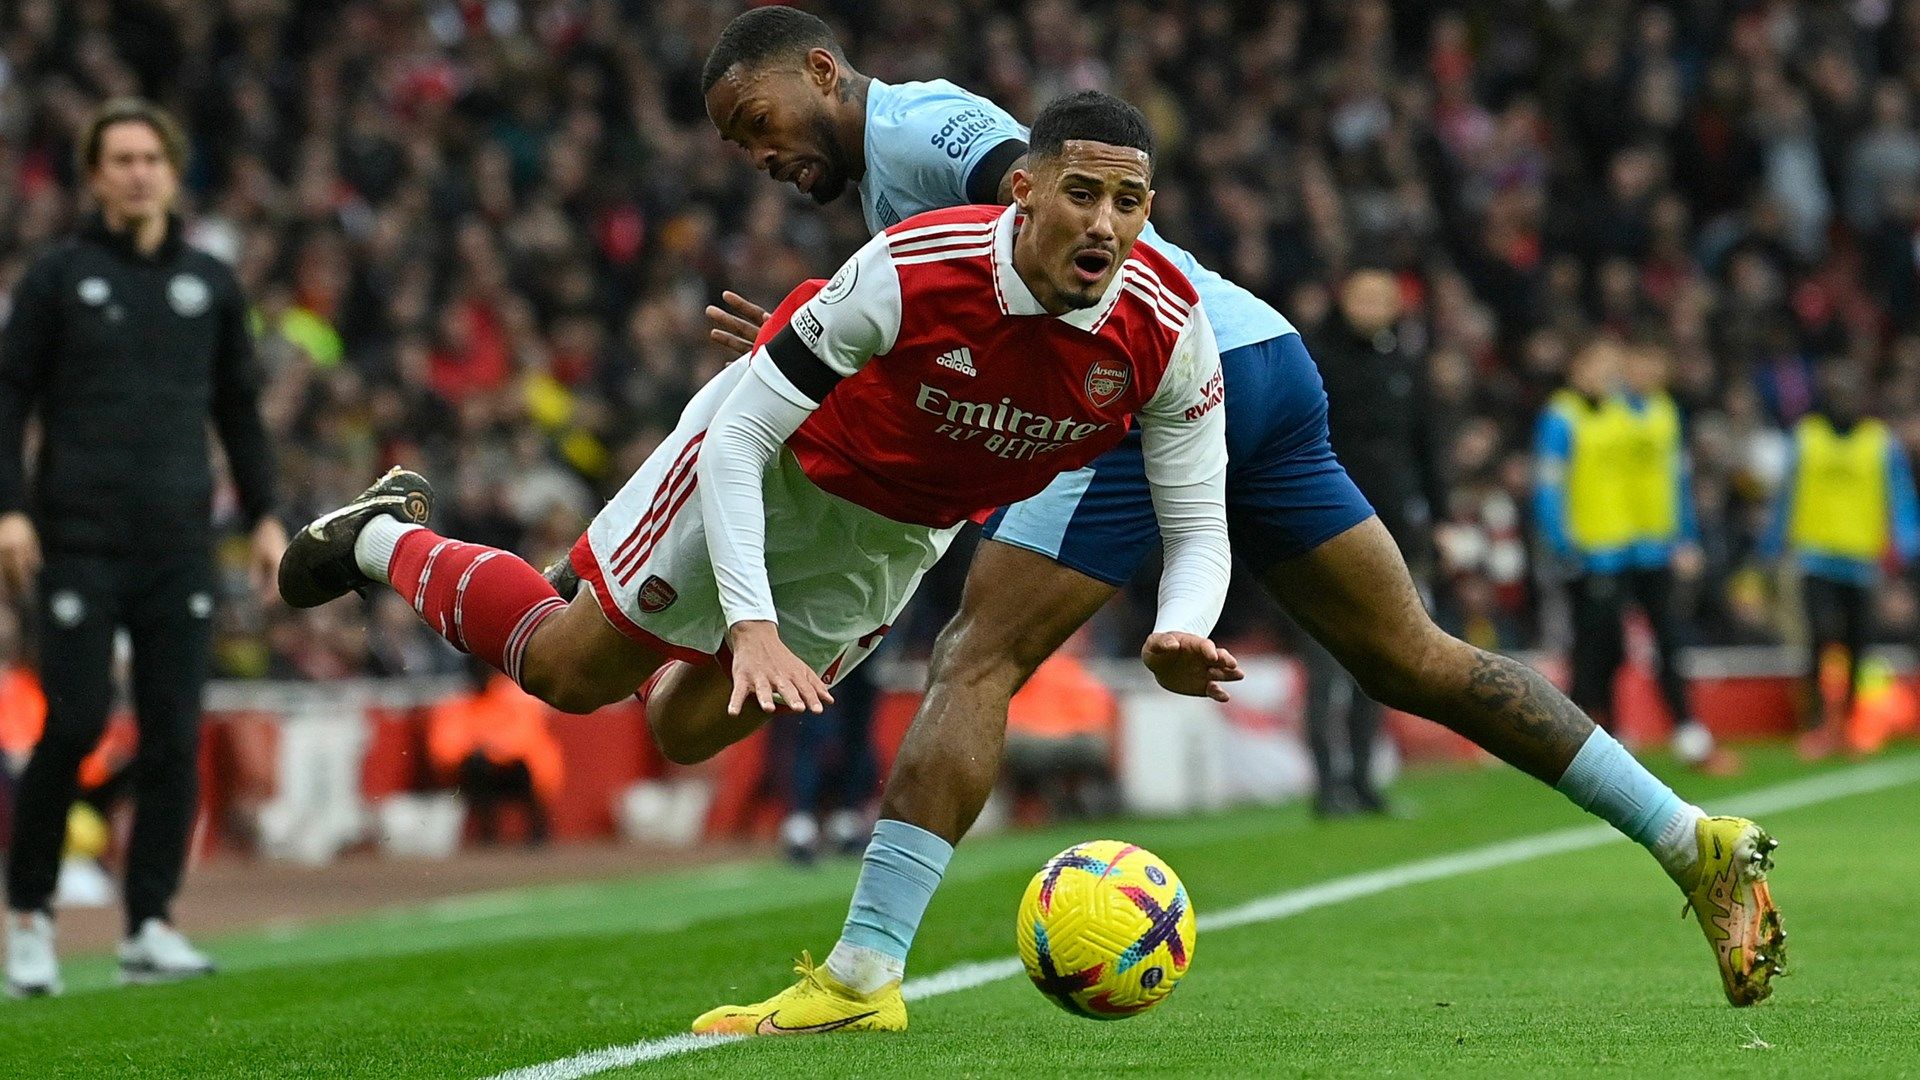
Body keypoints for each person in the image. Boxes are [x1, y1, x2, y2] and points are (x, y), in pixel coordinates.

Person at [683, 9, 1784, 1033]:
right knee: (1415, 659)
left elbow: (1073, 244)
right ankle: (1690, 837)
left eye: (757, 122)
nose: (758, 154)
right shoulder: (890, 191)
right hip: (1257, 353)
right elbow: (968, 304)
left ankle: (865, 974)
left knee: (976, 656)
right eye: (734, 144)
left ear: (821, 72)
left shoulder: (927, 127)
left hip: (1145, 379)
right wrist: (817, 345)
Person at [277, 93, 1240, 912]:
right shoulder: (913, 268)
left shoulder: (1168, 327)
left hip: (895, 537)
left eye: (1129, 201)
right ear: (1024, 190)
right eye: (1083, 193)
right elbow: (739, 437)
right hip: (773, 466)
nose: (1108, 225)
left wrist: (1183, 625)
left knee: (686, 730)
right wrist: (749, 621)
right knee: (572, 675)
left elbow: (1199, 523)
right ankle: (381, 539)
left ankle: (618, 591)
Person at [0, 100, 286, 997]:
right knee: (76, 722)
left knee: (172, 734)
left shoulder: (211, 283)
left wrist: (267, 515)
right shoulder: (57, 279)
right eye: (118, 159)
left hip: (178, 543)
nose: (135, 172)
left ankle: (150, 923)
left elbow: (238, 409)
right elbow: (8, 402)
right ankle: (30, 919)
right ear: (95, 176)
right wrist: (10, 511)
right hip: (78, 538)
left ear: (171, 170)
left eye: (149, 158)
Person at [1535, 338, 1733, 773]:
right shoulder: (1568, 415)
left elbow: (1674, 481)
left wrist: (1684, 536)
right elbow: (1550, 485)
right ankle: (1593, 738)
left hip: (1644, 545)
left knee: (1661, 638)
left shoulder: (1654, 411)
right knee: (1597, 647)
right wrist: (1563, 542)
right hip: (1593, 549)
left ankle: (1681, 734)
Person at [1298, 267, 1448, 815]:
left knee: (1377, 659)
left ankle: (1363, 780)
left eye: (1383, 298)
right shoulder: (1316, 360)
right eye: (1363, 295)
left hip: (1394, 530)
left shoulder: (1405, 366)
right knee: (1324, 660)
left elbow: (1427, 446)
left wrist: (1441, 517)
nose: (1372, 306)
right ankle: (1328, 785)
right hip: (1322, 529)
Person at [1761, 363, 1920, 757]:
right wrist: (1771, 546)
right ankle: (1816, 725)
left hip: (1861, 560)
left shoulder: (1880, 443)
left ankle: (1848, 722)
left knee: (1858, 643)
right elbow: (1786, 498)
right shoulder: (1807, 438)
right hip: (1815, 557)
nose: (1842, 400)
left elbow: (1899, 499)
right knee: (1818, 638)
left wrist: (1906, 547)